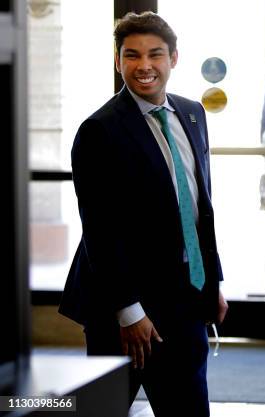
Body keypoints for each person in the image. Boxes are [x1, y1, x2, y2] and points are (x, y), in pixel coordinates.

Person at [59, 11, 227, 417]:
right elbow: (101, 230)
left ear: (174, 58)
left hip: (185, 299)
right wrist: (129, 311)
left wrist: (211, 280)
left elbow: (199, 206)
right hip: (123, 308)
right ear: (118, 61)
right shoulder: (99, 130)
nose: (144, 66)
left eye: (155, 54)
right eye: (132, 56)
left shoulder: (192, 114)